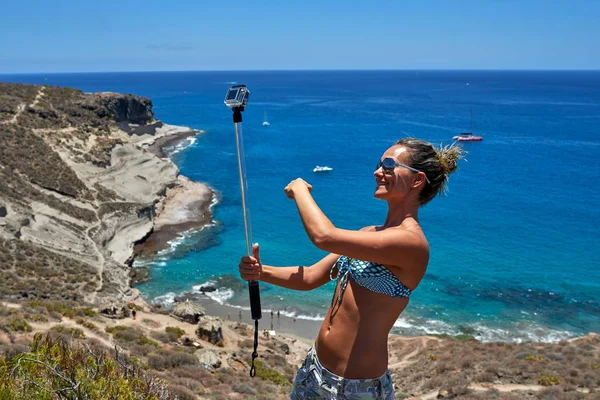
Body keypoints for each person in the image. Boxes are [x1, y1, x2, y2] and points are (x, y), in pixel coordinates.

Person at [239, 138, 464, 399]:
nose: (378, 171)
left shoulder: (411, 243)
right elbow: (311, 277)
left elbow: (323, 236)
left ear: (417, 180)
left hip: (355, 388)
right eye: (380, 164)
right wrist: (261, 272)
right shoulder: (370, 233)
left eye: (389, 165)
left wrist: (301, 190)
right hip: (315, 370)